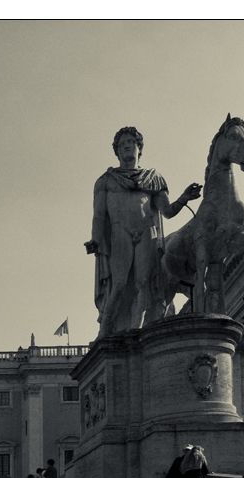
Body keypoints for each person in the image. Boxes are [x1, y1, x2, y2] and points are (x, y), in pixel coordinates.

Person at [86, 126, 202, 338]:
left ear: (139, 148)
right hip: (120, 232)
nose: (127, 146)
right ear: (117, 151)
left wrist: (184, 197)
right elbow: (99, 215)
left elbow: (167, 212)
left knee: (143, 284)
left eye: (131, 142)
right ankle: (105, 329)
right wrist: (95, 239)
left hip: (147, 232)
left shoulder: (152, 178)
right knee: (119, 283)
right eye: (122, 144)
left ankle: (136, 330)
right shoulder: (106, 180)